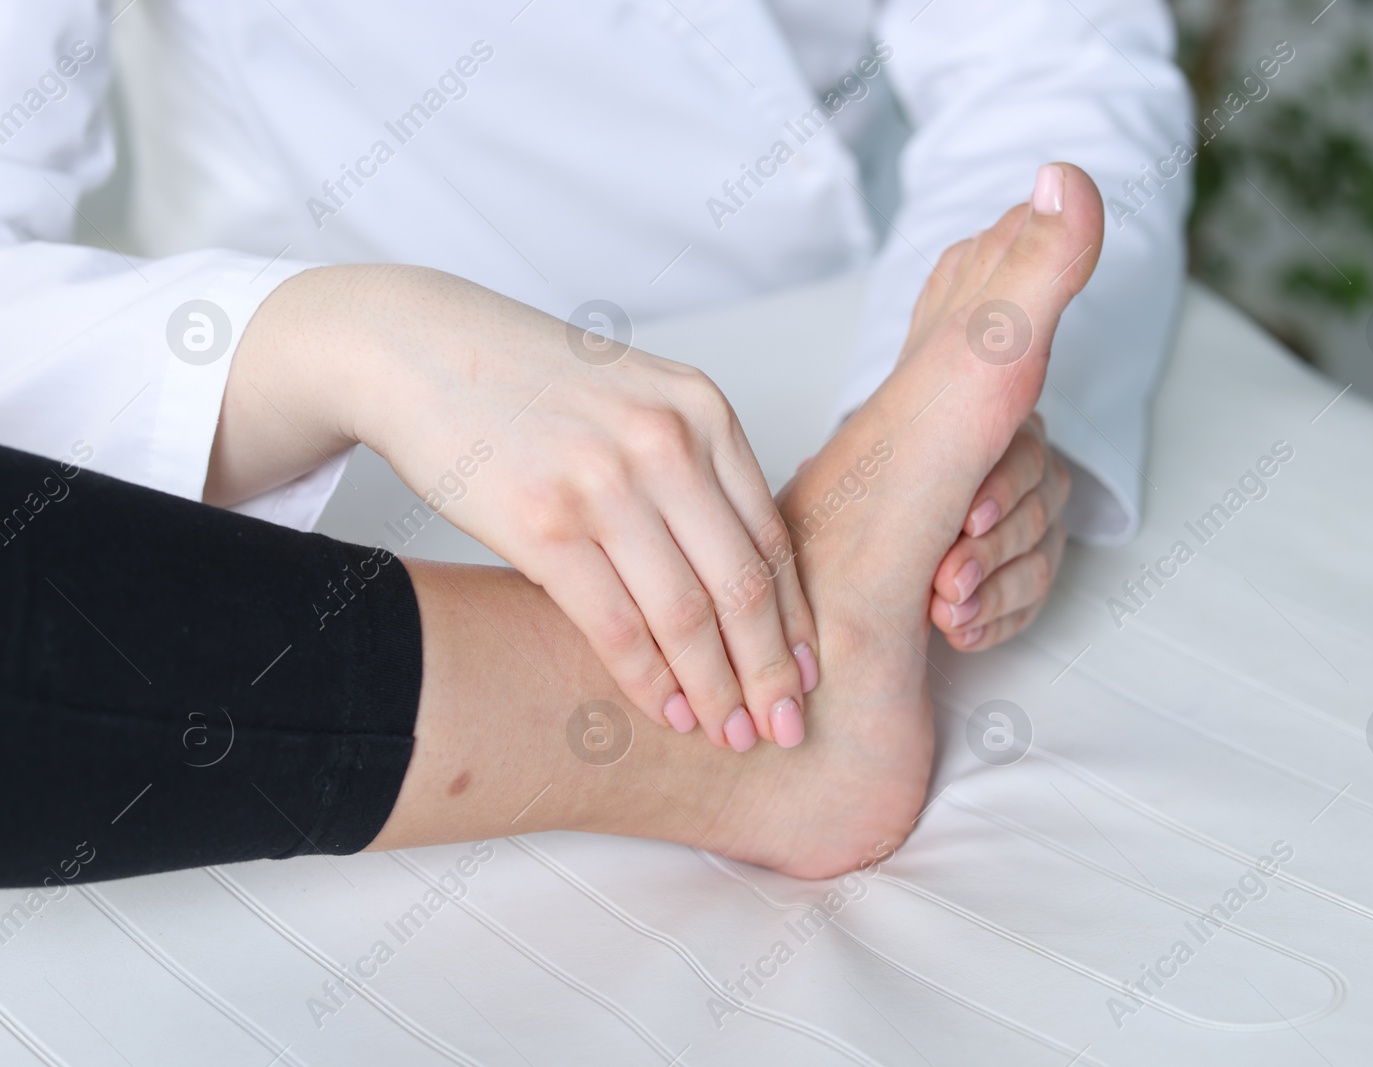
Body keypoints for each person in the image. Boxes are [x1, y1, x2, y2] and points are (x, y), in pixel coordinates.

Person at [0, 3, 1189, 751]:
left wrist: (957, 395)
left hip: (837, 332)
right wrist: (340, 340)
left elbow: (1054, 62)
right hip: (364, 449)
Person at [0, 165, 1102, 887]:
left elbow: (1045, 46)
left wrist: (917, 425)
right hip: (316, 265)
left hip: (801, 273)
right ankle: (746, 745)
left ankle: (803, 647)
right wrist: (334, 337)